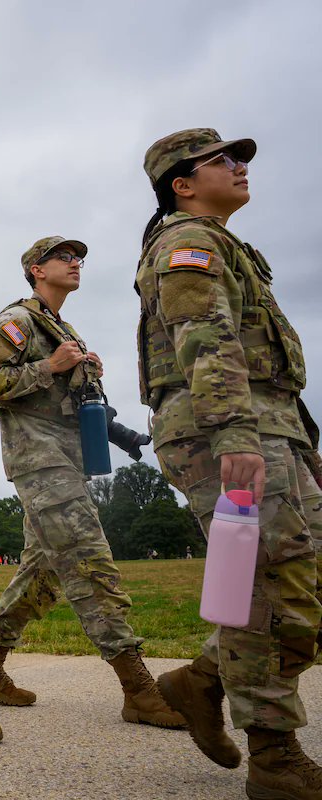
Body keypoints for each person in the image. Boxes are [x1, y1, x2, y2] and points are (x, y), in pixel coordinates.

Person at [136, 129, 322, 798]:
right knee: (267, 586)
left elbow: (264, 362)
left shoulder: (233, 247)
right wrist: (235, 432)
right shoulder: (186, 243)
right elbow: (204, 338)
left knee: (304, 587)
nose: (240, 168)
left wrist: (304, 448)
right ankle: (274, 756)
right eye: (224, 160)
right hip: (222, 432)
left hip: (270, 430)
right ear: (182, 183)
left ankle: (201, 682)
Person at [0, 236, 184, 729]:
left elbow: (76, 403)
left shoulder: (62, 327)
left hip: (67, 460)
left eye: (78, 257)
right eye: (64, 257)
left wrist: (116, 423)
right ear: (36, 271)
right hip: (40, 463)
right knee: (88, 562)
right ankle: (138, 688)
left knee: (41, 574)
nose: (75, 263)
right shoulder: (17, 321)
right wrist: (51, 365)